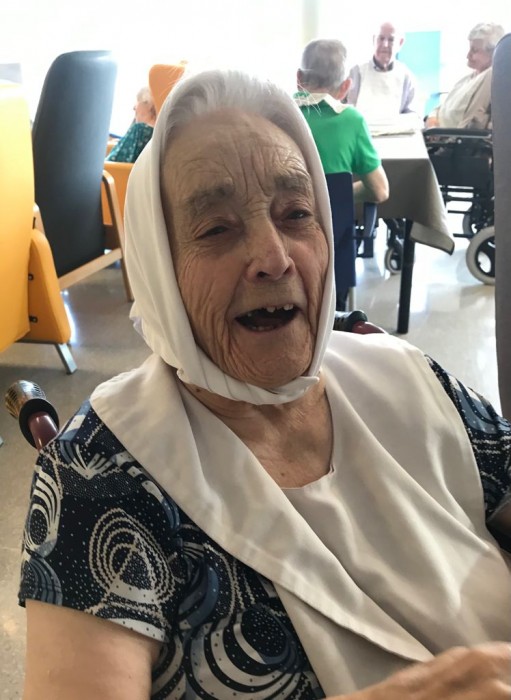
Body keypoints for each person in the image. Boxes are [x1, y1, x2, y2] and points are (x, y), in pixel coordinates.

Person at [18, 69, 511, 699]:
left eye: (297, 214)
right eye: (217, 229)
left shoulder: (405, 375)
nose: (275, 258)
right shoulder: (99, 474)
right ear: (158, 266)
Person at [295, 39, 389, 204]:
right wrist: (339, 192)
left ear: (299, 78)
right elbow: (380, 192)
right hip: (336, 220)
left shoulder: (278, 116)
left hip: (286, 219)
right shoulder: (352, 121)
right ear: (346, 86)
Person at [426, 23, 505, 130]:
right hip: (434, 131)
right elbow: (441, 108)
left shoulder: (490, 76)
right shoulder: (466, 79)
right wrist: (432, 118)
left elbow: (471, 124)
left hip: (447, 137)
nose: (468, 55)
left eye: (474, 50)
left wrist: (440, 134)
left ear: (493, 53)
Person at [347, 21, 422, 119]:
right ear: (374, 40)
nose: (385, 44)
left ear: (400, 43)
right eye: (381, 38)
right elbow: (347, 111)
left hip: (397, 129)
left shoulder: (407, 77)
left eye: (391, 40)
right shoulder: (357, 72)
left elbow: (413, 117)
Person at [106, 86, 156, 162]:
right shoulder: (158, 133)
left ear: (149, 105)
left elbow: (114, 159)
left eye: (138, 101)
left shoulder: (139, 130)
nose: (134, 107)